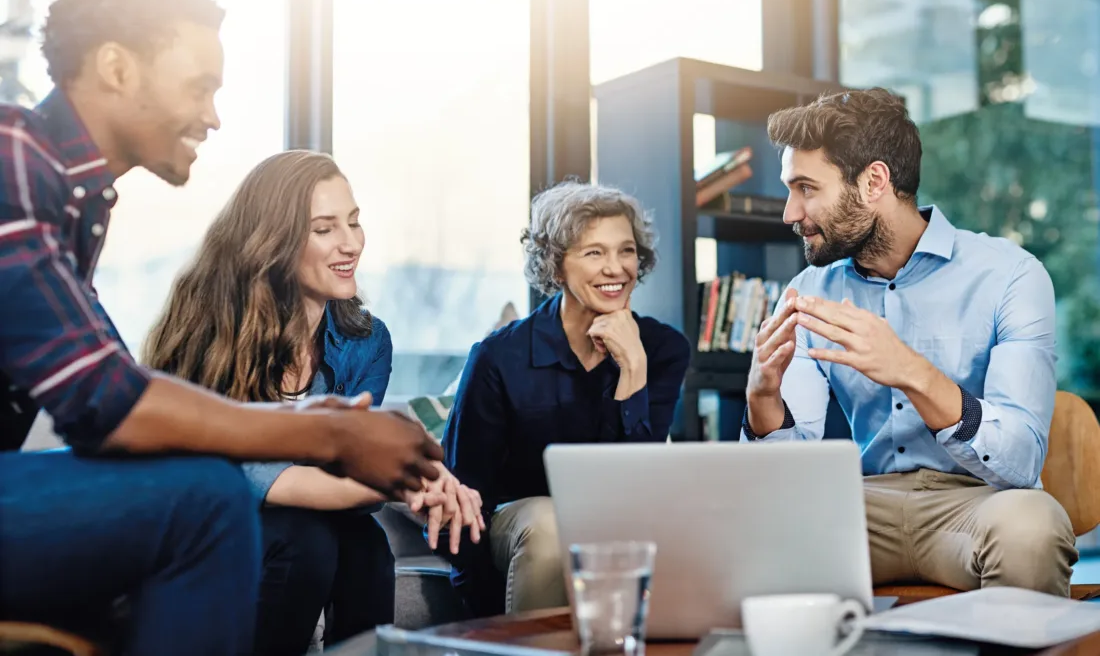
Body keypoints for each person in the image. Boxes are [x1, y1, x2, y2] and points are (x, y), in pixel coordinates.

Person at [0, 0, 442, 654]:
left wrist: (318, 422)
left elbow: (109, 396)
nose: (213, 116)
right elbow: (105, 404)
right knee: (205, 500)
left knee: (211, 493)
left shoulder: (73, 198)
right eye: (199, 87)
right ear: (117, 68)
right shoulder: (15, 158)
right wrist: (325, 432)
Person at [143, 149, 485, 655]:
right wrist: (412, 478)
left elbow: (352, 461)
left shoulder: (367, 341)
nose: (350, 244)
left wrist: (421, 475)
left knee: (366, 546)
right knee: (306, 540)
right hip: (210, 517)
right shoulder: (209, 327)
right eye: (324, 229)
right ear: (274, 240)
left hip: (306, 520)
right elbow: (264, 478)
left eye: (354, 222)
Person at [742, 88, 1078, 596]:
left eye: (806, 188)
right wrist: (762, 400)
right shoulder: (807, 294)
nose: (791, 213)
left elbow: (1021, 462)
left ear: (874, 180)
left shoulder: (1009, 275)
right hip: (862, 507)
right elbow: (787, 482)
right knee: (748, 531)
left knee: (1031, 527)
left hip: (975, 505)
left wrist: (910, 370)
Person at [441, 181, 692, 616]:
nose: (616, 268)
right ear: (556, 267)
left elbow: (638, 489)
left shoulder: (663, 348)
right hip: (517, 528)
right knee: (548, 520)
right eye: (594, 252)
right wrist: (482, 623)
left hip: (618, 524)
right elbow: (464, 501)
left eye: (626, 251)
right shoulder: (499, 357)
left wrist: (633, 370)